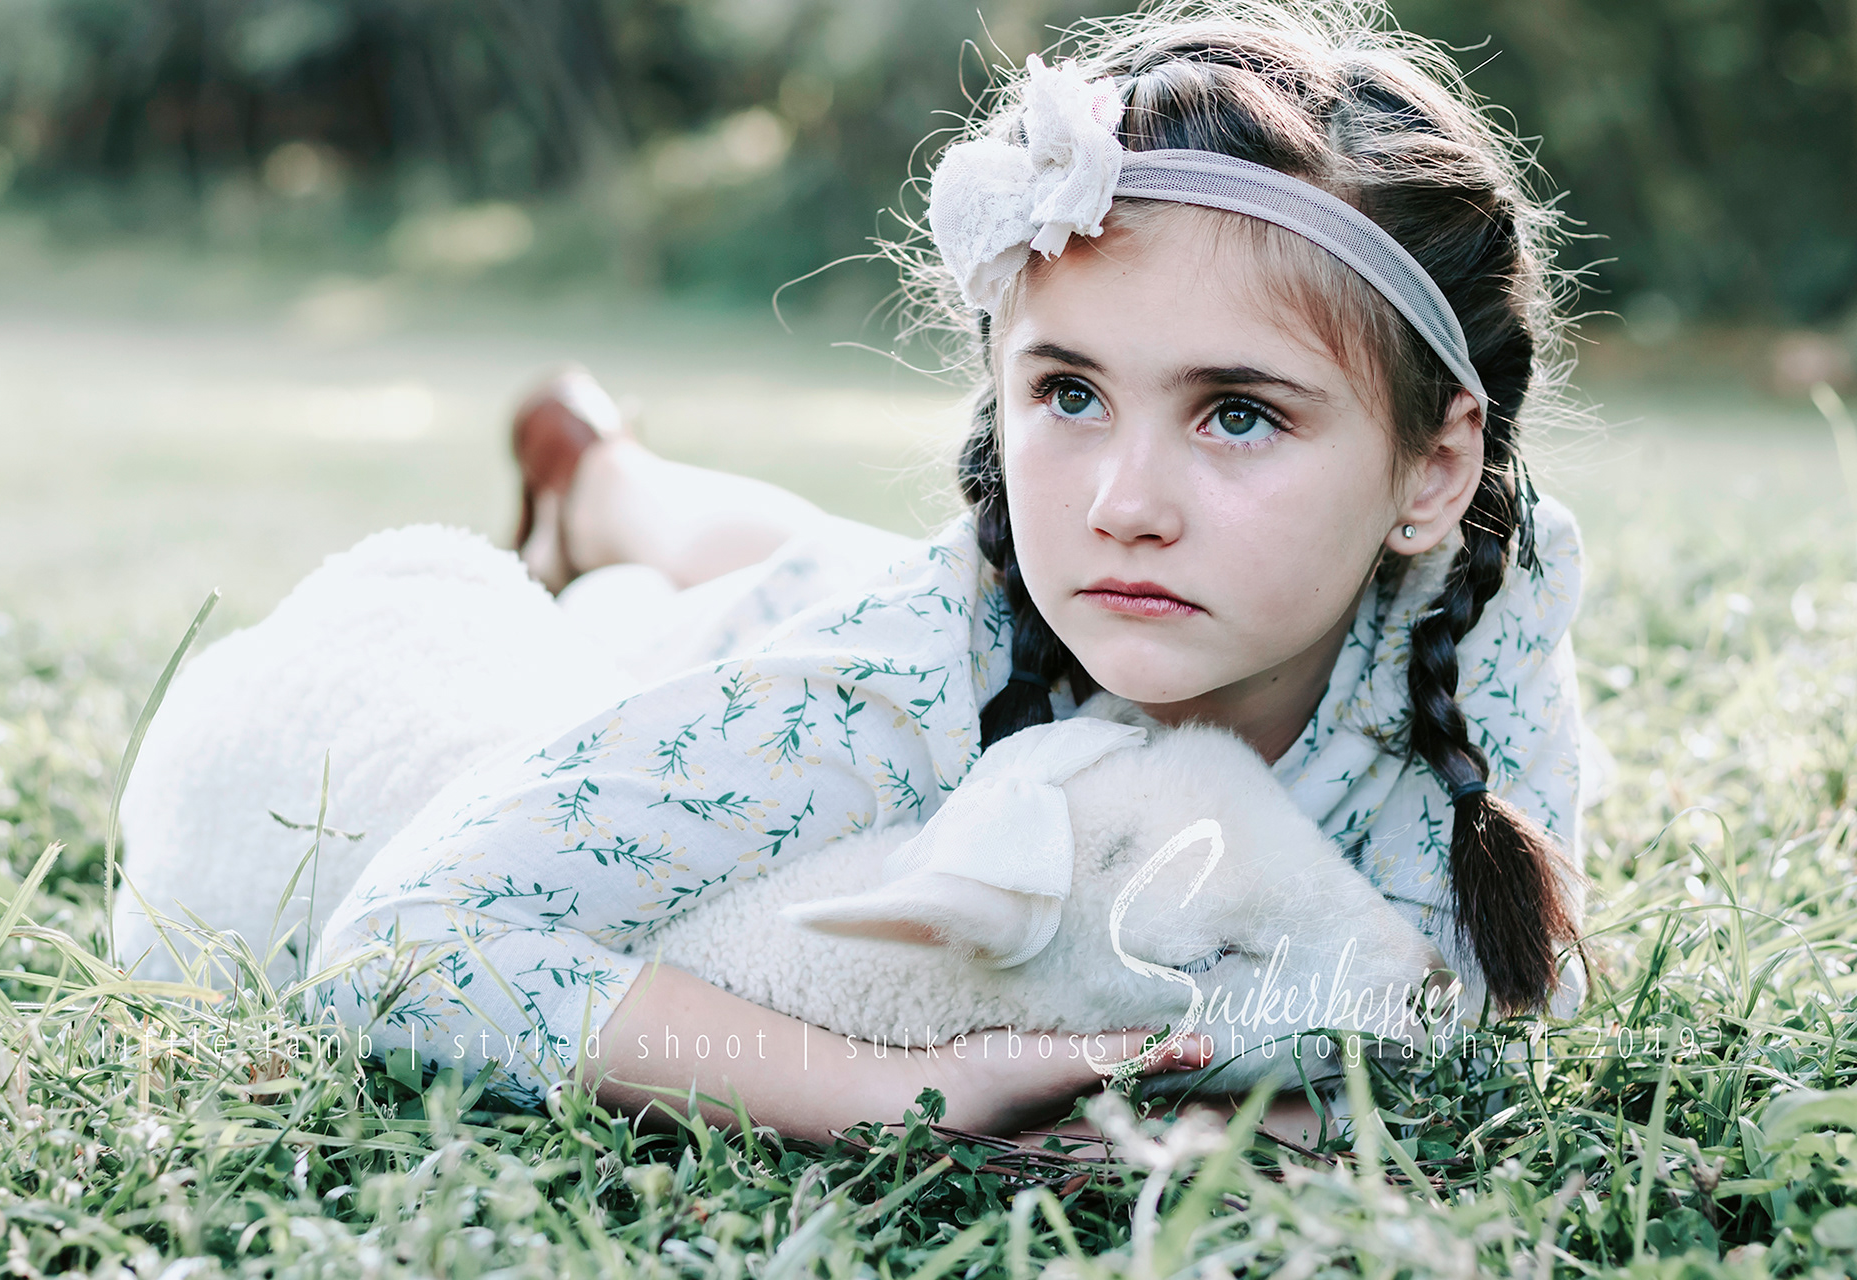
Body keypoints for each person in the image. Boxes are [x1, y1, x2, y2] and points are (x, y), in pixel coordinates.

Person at [313, 0, 1591, 1147]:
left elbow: (1466, 1004)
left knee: (807, 546)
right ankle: (597, 478)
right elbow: (402, 945)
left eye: (1239, 413)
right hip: (812, 619)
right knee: (750, 578)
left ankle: (604, 473)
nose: (1123, 504)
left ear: (1432, 472)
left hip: (906, 587)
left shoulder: (1488, 589)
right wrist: (892, 1091)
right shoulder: (881, 687)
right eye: (1069, 391)